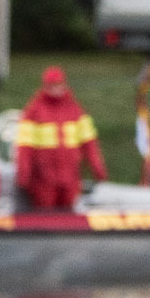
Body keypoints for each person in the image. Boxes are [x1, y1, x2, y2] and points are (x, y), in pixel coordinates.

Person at [13, 65, 106, 212]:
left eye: (58, 85)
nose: (56, 89)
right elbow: (25, 146)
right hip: (43, 178)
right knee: (44, 217)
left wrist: (97, 167)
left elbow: (89, 143)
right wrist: (24, 173)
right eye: (52, 86)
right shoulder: (34, 110)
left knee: (69, 217)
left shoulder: (75, 109)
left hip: (70, 176)